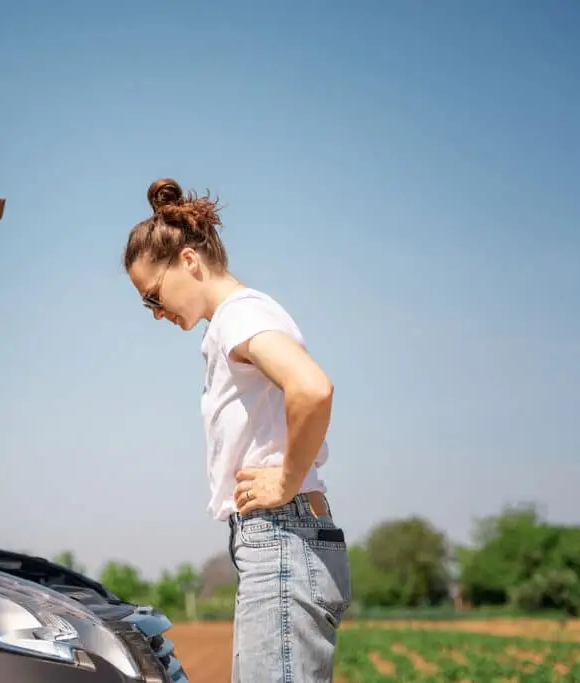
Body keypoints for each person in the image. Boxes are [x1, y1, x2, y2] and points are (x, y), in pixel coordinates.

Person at [122, 178, 352, 682]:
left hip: (283, 538)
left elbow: (312, 389)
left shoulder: (238, 316)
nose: (157, 313)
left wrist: (287, 479)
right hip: (279, 540)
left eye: (153, 296)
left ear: (188, 261)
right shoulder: (234, 322)